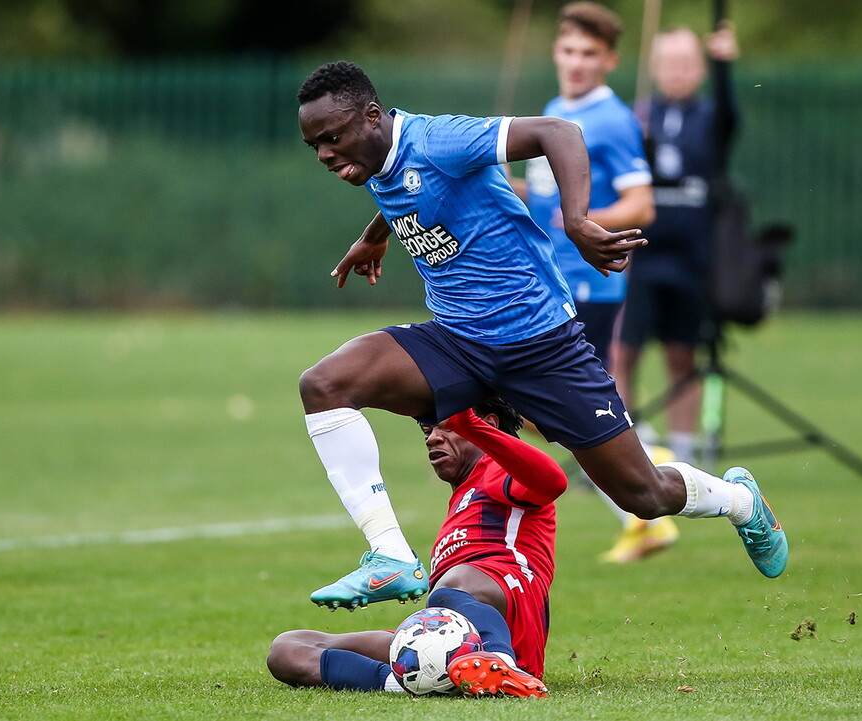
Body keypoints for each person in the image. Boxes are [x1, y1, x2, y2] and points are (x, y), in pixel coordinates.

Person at [295, 60, 787, 612]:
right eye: (315, 145)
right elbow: (413, 189)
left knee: (643, 495)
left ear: (370, 116)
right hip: (458, 341)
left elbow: (559, 132)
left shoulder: (440, 140)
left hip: (541, 346)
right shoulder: (376, 158)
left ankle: (739, 500)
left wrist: (577, 222)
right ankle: (389, 555)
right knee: (325, 385)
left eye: (332, 138)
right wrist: (375, 234)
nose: (325, 154)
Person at [512, 0, 679, 565]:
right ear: (555, 53)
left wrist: (584, 220)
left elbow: (642, 204)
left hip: (589, 281)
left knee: (553, 402)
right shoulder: (554, 110)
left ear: (610, 60)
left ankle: (650, 474)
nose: (576, 62)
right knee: (555, 404)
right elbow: (546, 197)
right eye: (568, 50)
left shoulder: (612, 120)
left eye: (589, 53)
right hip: (551, 277)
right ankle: (644, 490)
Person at [268, 398, 558, 698]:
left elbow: (552, 482)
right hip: (444, 631)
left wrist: (478, 431)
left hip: (509, 613)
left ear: (487, 426)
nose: (433, 438)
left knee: (450, 586)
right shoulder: (462, 497)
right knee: (288, 649)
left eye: (446, 428)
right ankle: (419, 682)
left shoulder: (501, 467)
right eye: (427, 431)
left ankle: (500, 663)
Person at [612, 23, 740, 466]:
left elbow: (729, 119)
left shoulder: (710, 118)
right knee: (622, 351)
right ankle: (623, 448)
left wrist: (725, 67)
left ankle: (683, 454)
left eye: (686, 62)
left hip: (692, 259)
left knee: (682, 354)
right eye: (668, 63)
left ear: (700, 68)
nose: (677, 71)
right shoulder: (638, 117)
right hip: (640, 255)